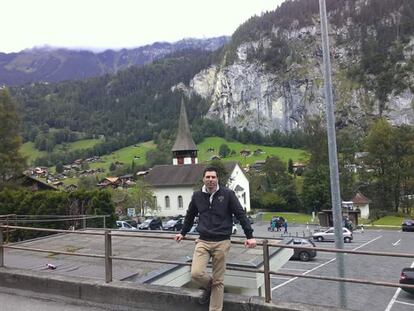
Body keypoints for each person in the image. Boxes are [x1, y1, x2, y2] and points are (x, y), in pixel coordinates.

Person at [174, 166, 257, 311]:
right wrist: (183, 233)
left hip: (222, 242)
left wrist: (250, 236)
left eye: (213, 177)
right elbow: (190, 215)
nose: (211, 180)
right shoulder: (197, 196)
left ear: (217, 179)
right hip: (203, 241)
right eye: (208, 177)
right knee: (196, 273)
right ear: (203, 179)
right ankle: (213, 286)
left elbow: (241, 215)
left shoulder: (228, 194)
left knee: (219, 279)